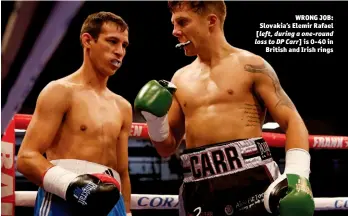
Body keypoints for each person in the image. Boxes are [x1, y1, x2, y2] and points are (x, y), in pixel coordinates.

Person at [134, 1, 315, 216]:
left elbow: (292, 120)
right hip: (198, 187)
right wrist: (155, 121)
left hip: (251, 179)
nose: (175, 31)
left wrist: (297, 173)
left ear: (211, 21)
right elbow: (166, 147)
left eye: (182, 22)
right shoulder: (179, 79)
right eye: (173, 24)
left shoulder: (251, 66)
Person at [17, 11, 132, 216]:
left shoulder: (123, 106)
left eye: (124, 45)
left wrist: (127, 212)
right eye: (112, 41)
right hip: (62, 197)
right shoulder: (60, 91)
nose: (120, 51)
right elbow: (26, 158)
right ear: (88, 40)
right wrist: (73, 186)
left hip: (112, 203)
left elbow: (122, 172)